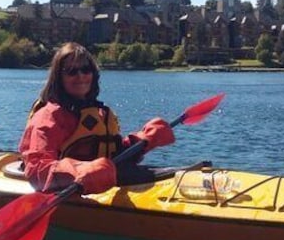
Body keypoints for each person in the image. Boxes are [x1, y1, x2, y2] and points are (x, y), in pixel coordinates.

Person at [18, 42, 175, 195]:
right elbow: (37, 168)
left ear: (93, 73)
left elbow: (112, 156)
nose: (80, 76)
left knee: (170, 174)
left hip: (107, 183)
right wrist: (78, 171)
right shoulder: (48, 117)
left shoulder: (101, 113)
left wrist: (143, 140)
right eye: (71, 71)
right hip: (71, 190)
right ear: (59, 78)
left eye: (85, 69)